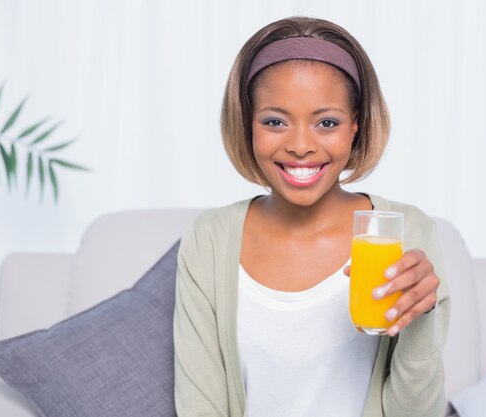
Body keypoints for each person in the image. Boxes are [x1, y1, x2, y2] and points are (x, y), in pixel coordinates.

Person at [173, 16, 450, 417]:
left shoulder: (405, 233)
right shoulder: (209, 239)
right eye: (274, 121)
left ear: (356, 125)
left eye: (327, 122)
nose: (301, 145)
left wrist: (422, 318)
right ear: (247, 124)